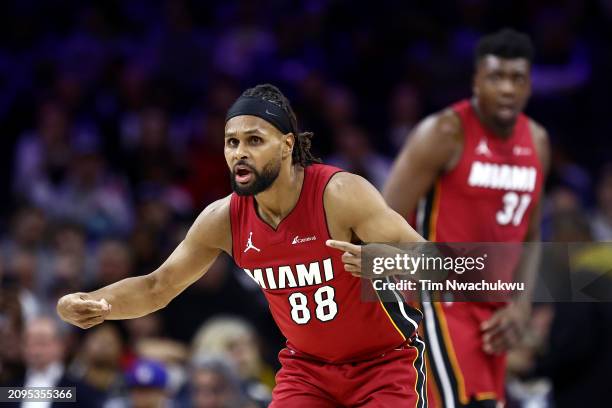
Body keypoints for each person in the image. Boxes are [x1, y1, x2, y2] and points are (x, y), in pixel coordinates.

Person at [58, 84, 428, 407]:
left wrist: (383, 263)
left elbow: (459, 270)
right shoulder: (223, 218)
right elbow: (158, 286)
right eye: (231, 142)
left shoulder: (340, 194)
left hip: (382, 363)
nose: (239, 152)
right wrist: (98, 304)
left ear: (286, 145)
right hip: (308, 372)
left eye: (254, 140)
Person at [383, 29, 550, 408]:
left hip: (496, 315)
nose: (507, 89)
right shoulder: (443, 133)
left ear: (529, 85)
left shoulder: (537, 141)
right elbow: (378, 221)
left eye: (517, 79)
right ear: (476, 81)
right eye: (496, 77)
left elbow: (532, 233)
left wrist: (521, 306)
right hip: (438, 304)